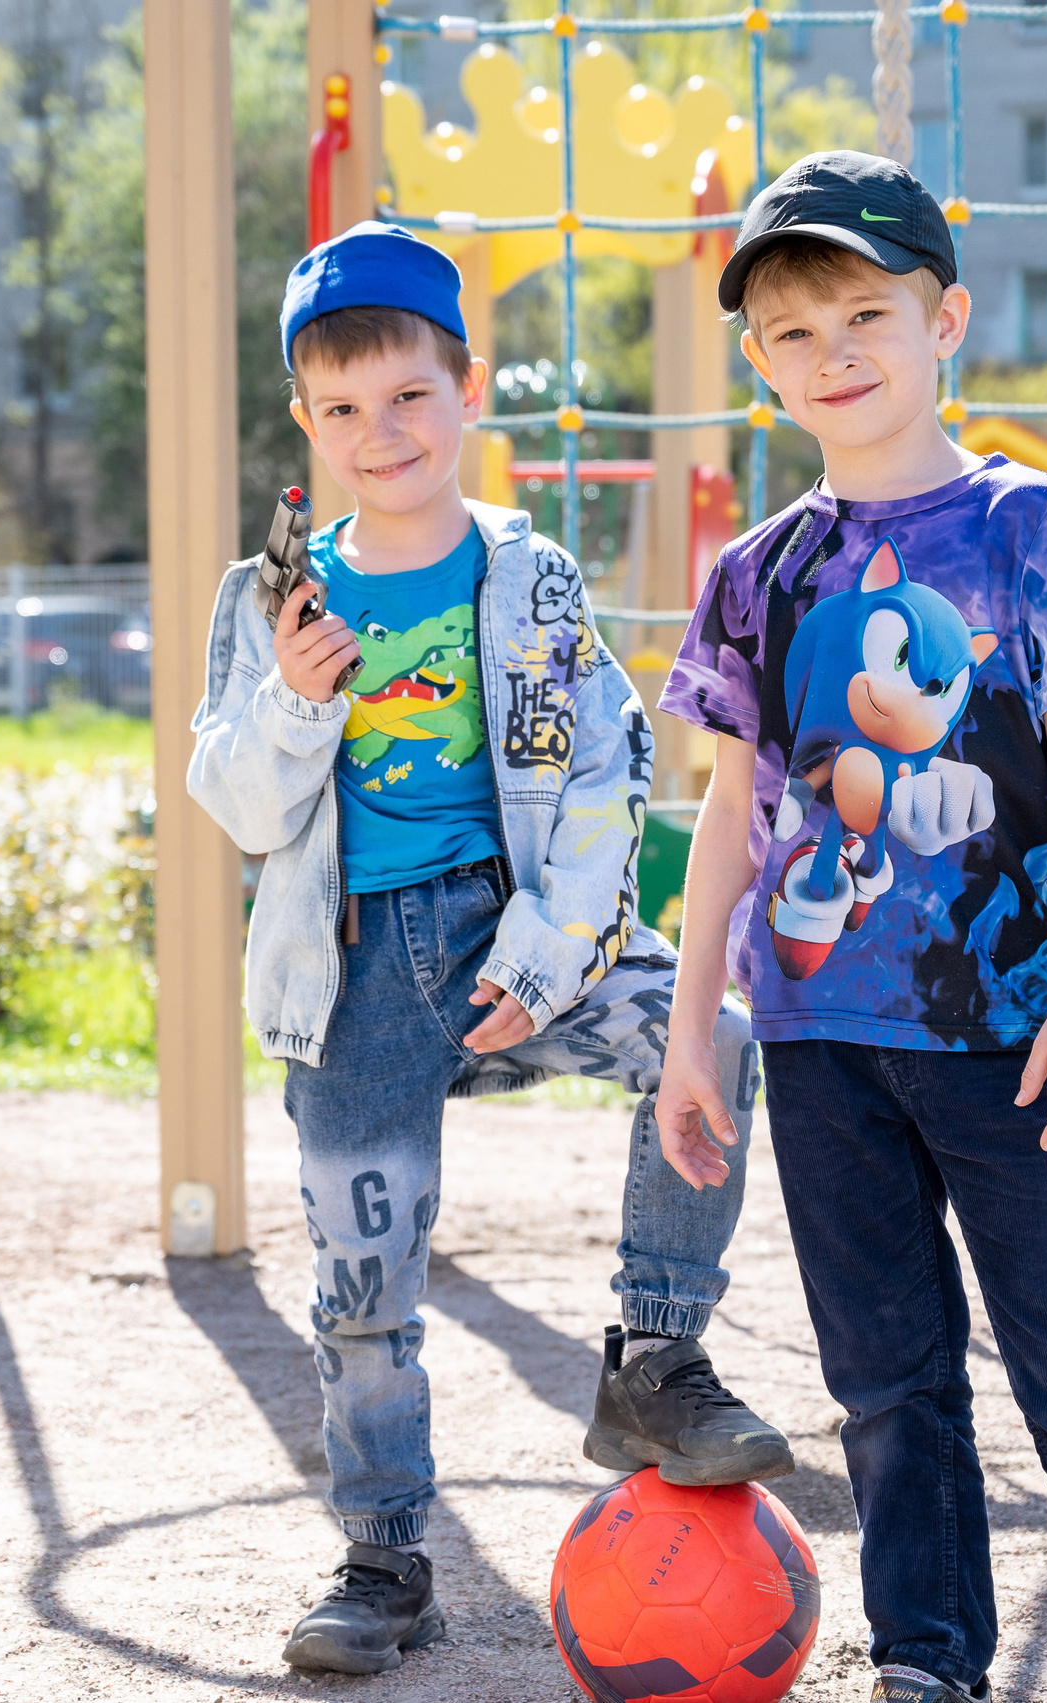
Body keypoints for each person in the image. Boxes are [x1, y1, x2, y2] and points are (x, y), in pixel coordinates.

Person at [652, 154, 1047, 1703]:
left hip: (1007, 1039)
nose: (834, 354)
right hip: (819, 1039)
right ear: (760, 364)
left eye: (867, 314)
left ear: (946, 320)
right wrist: (690, 1036)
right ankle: (930, 1660)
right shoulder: (756, 573)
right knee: (886, 1390)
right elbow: (733, 811)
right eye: (794, 333)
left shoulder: (1024, 523)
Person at [186, 220, 793, 1678]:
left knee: (701, 1035)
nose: (377, 433)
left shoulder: (531, 582)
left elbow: (604, 777)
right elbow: (240, 802)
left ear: (471, 387)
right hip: (351, 977)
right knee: (364, 1298)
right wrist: (293, 700)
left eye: (408, 396)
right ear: (305, 424)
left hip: (518, 930)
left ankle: (652, 1355)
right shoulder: (276, 600)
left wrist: (541, 955)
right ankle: (385, 1555)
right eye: (341, 410)